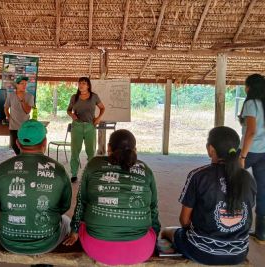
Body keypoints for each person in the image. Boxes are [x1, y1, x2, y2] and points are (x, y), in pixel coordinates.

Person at [63, 129, 160, 266]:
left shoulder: (94, 164)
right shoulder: (146, 170)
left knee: (79, 224)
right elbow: (153, 208)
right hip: (140, 249)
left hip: (96, 247)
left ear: (108, 148)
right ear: (135, 149)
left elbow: (81, 201)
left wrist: (74, 230)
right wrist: (154, 236)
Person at [162, 126, 256, 265]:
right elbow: (247, 211)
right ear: (236, 151)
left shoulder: (199, 176)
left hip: (201, 251)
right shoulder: (247, 178)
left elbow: (184, 220)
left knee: (166, 231)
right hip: (239, 253)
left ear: (211, 149)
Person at [0, 119, 72, 255]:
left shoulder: (2, 168)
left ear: (17, 143)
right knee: (67, 220)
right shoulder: (58, 170)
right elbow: (64, 207)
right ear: (45, 142)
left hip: (9, 240)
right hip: (47, 241)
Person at [238, 73, 265, 243]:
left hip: (251, 150)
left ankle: (232, 223)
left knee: (228, 178)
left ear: (249, 87)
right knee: (263, 189)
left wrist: (242, 156)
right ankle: (262, 233)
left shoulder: (251, 103)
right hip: (264, 152)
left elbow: (251, 131)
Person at [67, 77, 105, 183]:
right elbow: (69, 110)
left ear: (88, 85)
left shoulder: (94, 97)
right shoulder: (74, 97)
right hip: (77, 127)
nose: (81, 85)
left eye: (84, 83)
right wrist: (72, 115)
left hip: (90, 126)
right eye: (79, 83)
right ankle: (74, 174)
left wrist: (98, 118)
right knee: (75, 152)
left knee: (91, 152)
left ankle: (90, 174)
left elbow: (103, 108)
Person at [4, 76, 34, 155]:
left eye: (25, 84)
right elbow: (6, 108)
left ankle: (23, 160)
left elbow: (27, 111)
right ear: (16, 85)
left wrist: (22, 100)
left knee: (25, 145)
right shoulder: (10, 95)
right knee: (14, 145)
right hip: (13, 126)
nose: (24, 85)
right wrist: (9, 117)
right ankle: (20, 158)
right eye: (22, 83)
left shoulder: (30, 96)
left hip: (25, 126)